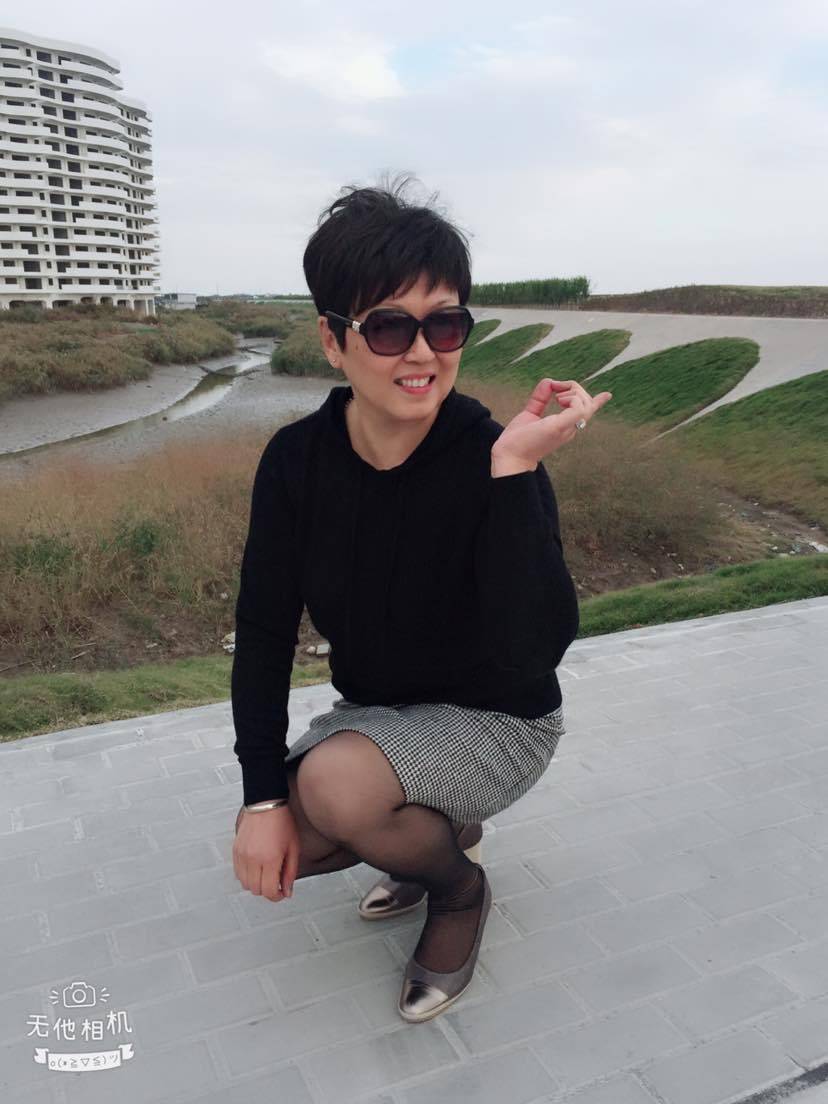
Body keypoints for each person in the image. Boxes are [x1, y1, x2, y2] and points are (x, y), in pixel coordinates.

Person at [230, 171, 612, 1023]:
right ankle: (437, 829)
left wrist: (513, 476)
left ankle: (457, 888)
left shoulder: (494, 452)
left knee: (337, 789)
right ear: (332, 340)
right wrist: (260, 800)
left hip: (500, 720)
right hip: (386, 716)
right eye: (388, 326)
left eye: (444, 323)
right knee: (294, 836)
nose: (421, 353)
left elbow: (532, 653)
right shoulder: (297, 460)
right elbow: (262, 631)